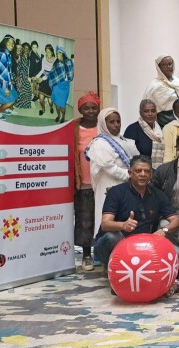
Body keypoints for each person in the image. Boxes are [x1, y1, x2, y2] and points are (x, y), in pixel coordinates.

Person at [93, 155, 179, 267]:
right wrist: (123, 225)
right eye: (138, 171)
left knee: (177, 253)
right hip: (120, 241)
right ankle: (114, 267)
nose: (143, 174)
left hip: (143, 245)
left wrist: (163, 230)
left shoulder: (158, 194)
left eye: (147, 171)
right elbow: (105, 224)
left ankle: (140, 268)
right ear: (130, 173)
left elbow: (176, 221)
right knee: (111, 238)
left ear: (151, 174)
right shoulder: (116, 192)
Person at [85, 107, 139, 235]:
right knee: (108, 219)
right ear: (104, 124)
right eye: (111, 122)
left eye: (118, 121)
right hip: (107, 186)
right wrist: (130, 175)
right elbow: (110, 168)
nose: (116, 125)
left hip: (126, 186)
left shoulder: (125, 141)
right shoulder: (99, 144)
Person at [73, 92, 100, 271]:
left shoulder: (103, 125)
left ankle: (102, 252)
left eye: (94, 108)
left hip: (102, 181)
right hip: (83, 181)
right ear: (80, 110)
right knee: (85, 217)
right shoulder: (74, 128)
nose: (90, 111)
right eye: (86, 108)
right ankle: (86, 254)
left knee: (102, 217)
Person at [143, 55, 179, 127]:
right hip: (164, 120)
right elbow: (148, 105)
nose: (168, 67)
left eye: (170, 64)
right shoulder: (154, 85)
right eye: (164, 65)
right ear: (159, 67)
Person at [123, 99, 165, 169]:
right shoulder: (132, 129)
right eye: (146, 111)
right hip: (140, 173)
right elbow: (128, 156)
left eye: (153, 111)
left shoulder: (161, 130)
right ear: (140, 113)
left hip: (159, 173)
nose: (150, 114)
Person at [46, 47, 74, 123]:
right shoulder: (56, 63)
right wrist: (44, 76)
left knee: (63, 105)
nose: (57, 55)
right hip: (57, 86)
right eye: (57, 53)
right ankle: (58, 115)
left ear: (62, 53)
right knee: (57, 105)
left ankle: (63, 117)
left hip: (65, 86)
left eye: (58, 53)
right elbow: (52, 73)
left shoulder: (69, 62)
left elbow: (71, 73)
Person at [34, 44, 55, 116]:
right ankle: (43, 110)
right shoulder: (44, 59)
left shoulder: (55, 60)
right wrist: (36, 77)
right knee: (41, 97)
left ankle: (51, 107)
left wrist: (42, 78)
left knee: (50, 100)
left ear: (52, 52)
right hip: (43, 80)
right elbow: (42, 70)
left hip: (50, 80)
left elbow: (51, 73)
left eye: (49, 52)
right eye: (46, 52)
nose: (47, 53)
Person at [13, 40, 33, 110]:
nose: (26, 50)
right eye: (25, 48)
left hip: (25, 77)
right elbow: (18, 68)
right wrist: (19, 79)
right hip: (20, 77)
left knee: (29, 92)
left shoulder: (28, 58)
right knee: (22, 92)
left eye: (28, 48)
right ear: (23, 49)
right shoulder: (20, 57)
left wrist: (28, 78)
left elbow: (27, 70)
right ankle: (17, 106)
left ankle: (25, 106)